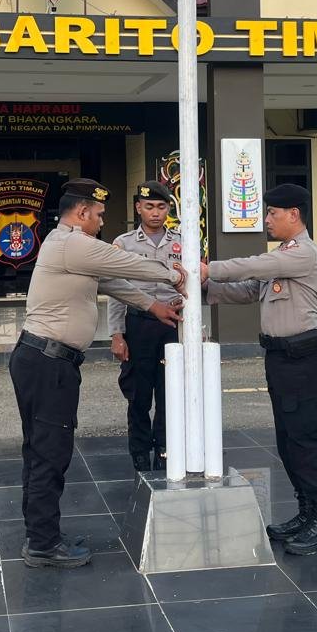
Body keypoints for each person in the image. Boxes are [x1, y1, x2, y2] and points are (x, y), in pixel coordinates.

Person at [10, 177, 186, 568]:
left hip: (45, 360)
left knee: (42, 449)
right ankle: (42, 545)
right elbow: (127, 264)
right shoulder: (72, 243)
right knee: (49, 452)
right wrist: (175, 275)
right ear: (82, 211)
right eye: (100, 214)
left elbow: (111, 282)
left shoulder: (71, 246)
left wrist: (154, 307)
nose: (102, 222)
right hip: (47, 362)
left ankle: (42, 533)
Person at [200, 182, 317, 555]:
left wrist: (209, 268)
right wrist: (205, 287)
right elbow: (249, 289)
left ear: (294, 214)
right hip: (280, 358)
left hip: (303, 358)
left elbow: (254, 266)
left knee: (307, 439)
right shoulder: (281, 257)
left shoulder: (303, 253)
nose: (267, 220)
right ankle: (306, 513)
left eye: (272, 213)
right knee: (288, 440)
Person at [108, 181, 183, 472]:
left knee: (169, 392)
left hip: (172, 325)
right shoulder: (124, 243)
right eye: (149, 206)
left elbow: (192, 284)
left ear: (168, 209)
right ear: (138, 207)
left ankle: (165, 448)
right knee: (138, 395)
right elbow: (116, 291)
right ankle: (139, 451)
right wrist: (117, 335)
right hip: (138, 325)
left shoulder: (182, 241)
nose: (155, 212)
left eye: (161, 207)